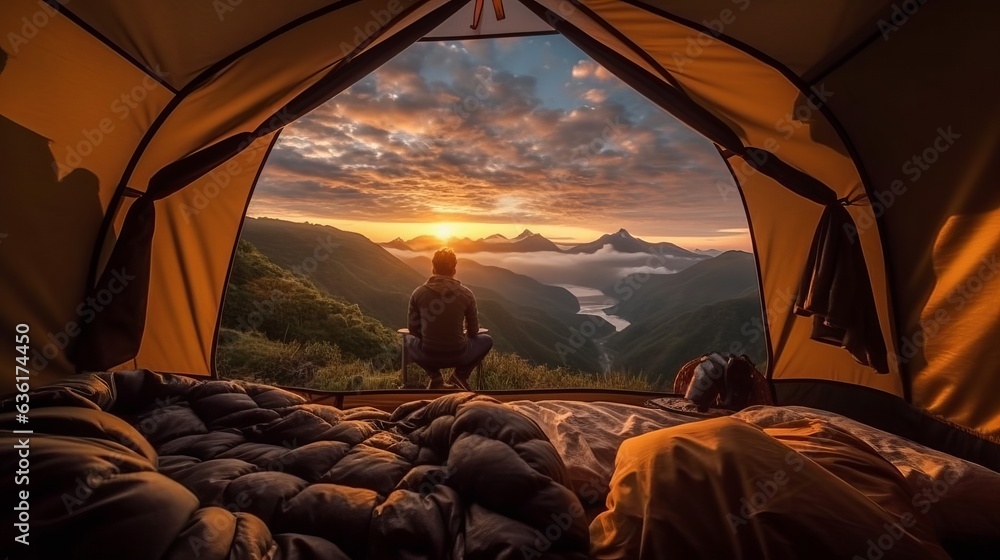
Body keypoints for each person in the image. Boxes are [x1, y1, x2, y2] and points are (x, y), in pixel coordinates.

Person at [405, 248, 493, 390]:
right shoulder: (467, 294)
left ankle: (435, 376)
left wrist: (430, 338)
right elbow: (474, 331)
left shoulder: (418, 293)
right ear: (454, 269)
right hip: (459, 354)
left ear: (433, 268)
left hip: (428, 354)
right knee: (487, 340)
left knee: (407, 339)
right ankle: (460, 376)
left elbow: (413, 330)